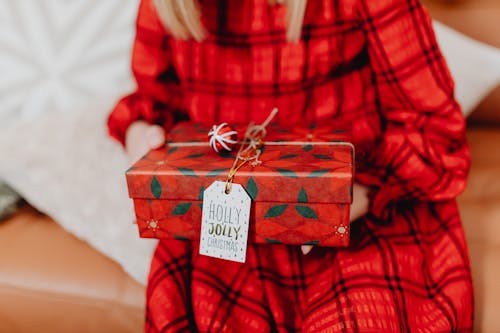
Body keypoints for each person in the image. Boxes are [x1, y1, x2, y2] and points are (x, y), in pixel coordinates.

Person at [108, 0, 473, 331]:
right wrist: (140, 131)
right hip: (230, 224)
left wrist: (353, 195)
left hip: (365, 212)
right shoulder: (167, 7)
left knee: (361, 317)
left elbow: (434, 127)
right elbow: (155, 101)